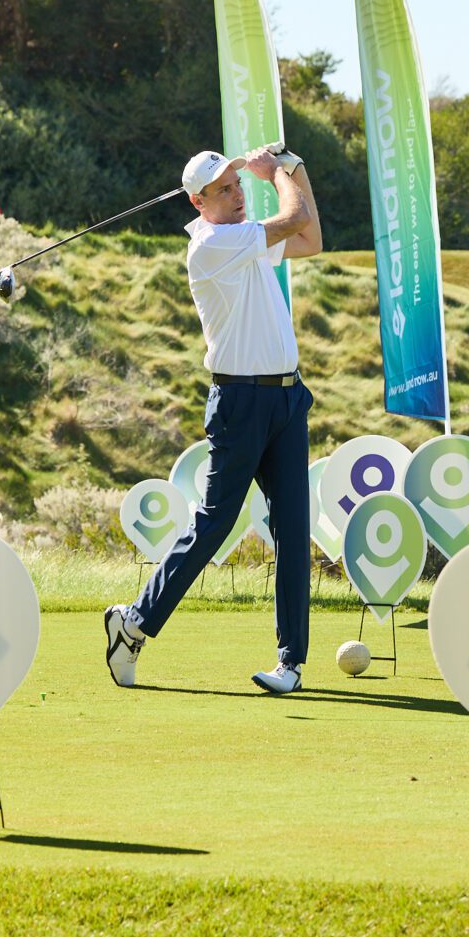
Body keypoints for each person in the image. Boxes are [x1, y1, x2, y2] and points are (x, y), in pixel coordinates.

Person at [104, 143, 323, 694]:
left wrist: (294, 168)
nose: (237, 194)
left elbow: (310, 239)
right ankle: (133, 623)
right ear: (199, 203)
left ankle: (291, 663)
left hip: (287, 398)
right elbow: (294, 217)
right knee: (214, 524)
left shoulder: (245, 238)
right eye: (224, 189)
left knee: (293, 527)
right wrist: (278, 173)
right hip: (240, 403)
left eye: (237, 183)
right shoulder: (211, 245)